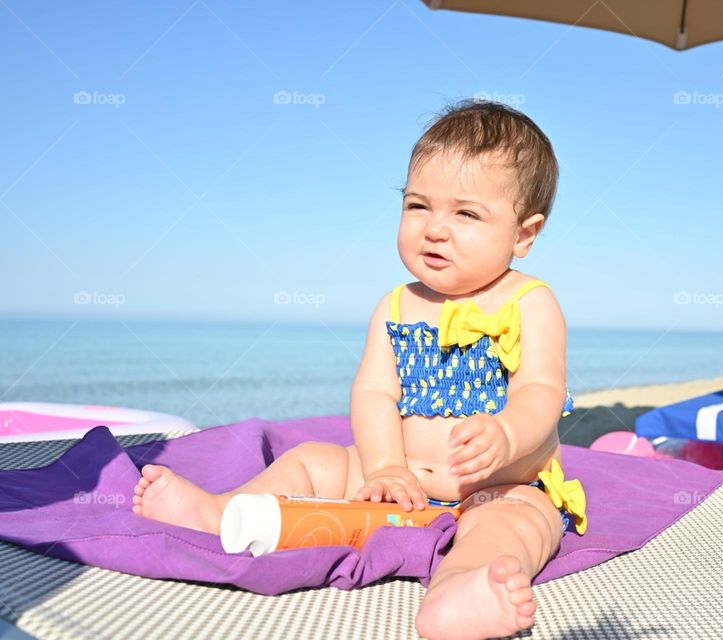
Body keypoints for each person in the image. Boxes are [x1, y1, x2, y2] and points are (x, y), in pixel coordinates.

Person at [132, 99, 587, 640]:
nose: (435, 229)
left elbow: (540, 388)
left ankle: (459, 591)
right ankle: (220, 512)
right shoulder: (396, 305)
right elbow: (374, 393)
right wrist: (384, 469)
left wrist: (508, 433)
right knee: (310, 461)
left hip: (495, 485)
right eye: (419, 206)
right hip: (400, 478)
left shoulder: (530, 301)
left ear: (523, 235)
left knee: (520, 523)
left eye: (466, 214)